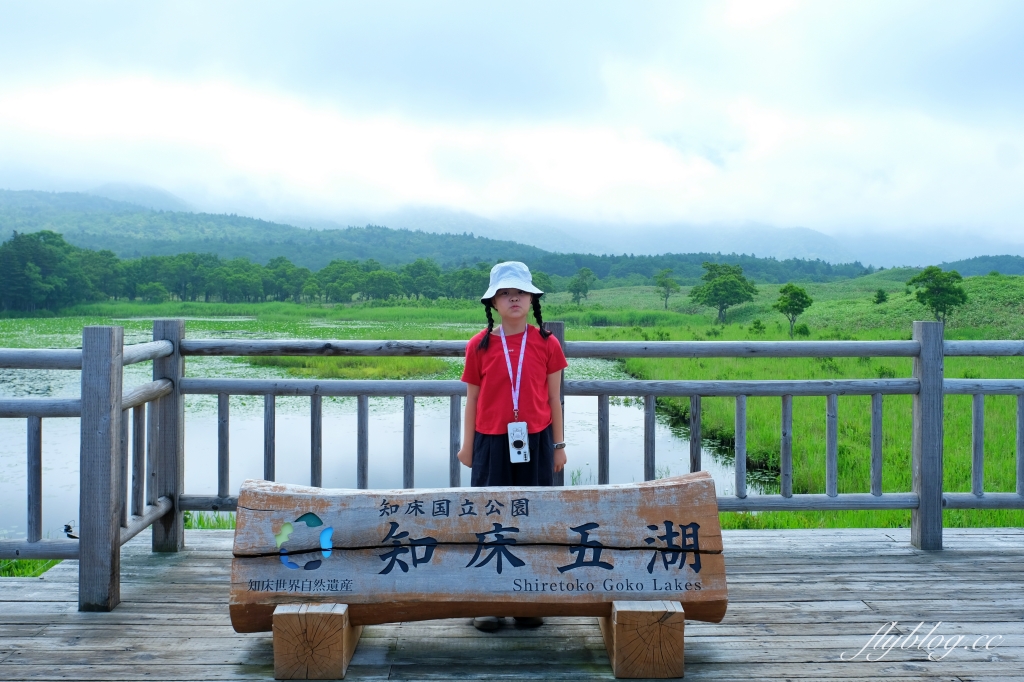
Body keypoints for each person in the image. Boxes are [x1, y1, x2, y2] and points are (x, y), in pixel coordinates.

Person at [456, 261, 568, 632]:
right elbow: (472, 400)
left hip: (536, 440)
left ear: (532, 298)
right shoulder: (480, 345)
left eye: (519, 291)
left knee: (532, 518)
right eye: (505, 292)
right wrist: (467, 445)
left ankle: (527, 600)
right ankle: (488, 602)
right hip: (490, 441)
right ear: (494, 303)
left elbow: (555, 399)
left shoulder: (546, 343)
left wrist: (559, 445)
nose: (514, 297)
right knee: (488, 519)